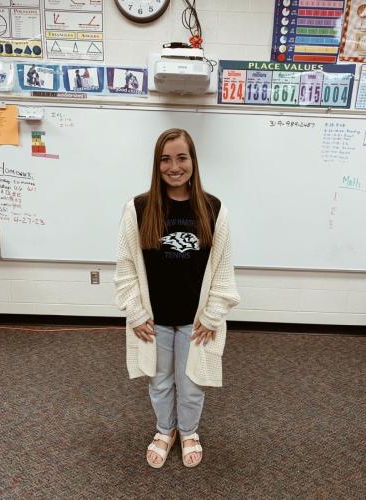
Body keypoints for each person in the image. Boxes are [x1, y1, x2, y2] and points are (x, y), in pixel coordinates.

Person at [114, 128, 239, 469]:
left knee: (192, 382)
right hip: (154, 321)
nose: (174, 166)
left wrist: (213, 315)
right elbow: (125, 265)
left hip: (195, 321)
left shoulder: (213, 209)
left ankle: (188, 432)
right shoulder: (138, 208)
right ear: (157, 165)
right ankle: (164, 430)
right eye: (165, 159)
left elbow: (224, 268)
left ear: (193, 162)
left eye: (181, 157)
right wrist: (136, 313)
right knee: (160, 381)